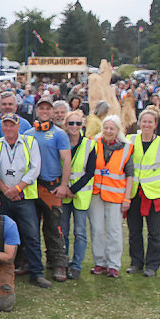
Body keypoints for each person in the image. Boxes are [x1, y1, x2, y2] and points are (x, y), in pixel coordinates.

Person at [0, 114, 48, 287]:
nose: (8, 128)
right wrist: (4, 189)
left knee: (31, 235)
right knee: (0, 235)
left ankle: (36, 272)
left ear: (18, 126)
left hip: (23, 197)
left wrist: (18, 188)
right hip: (2, 197)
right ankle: (0, 270)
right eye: (5, 125)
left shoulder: (30, 142)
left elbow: (35, 169)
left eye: (12, 125)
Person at [23, 94, 71, 282]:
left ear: (52, 112)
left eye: (47, 108)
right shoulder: (28, 134)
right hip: (32, 187)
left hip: (51, 188)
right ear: (36, 111)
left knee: (54, 229)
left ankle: (58, 263)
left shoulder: (59, 134)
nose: (44, 111)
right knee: (30, 228)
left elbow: (66, 160)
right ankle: (29, 261)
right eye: (41, 108)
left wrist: (63, 185)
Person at [89, 115, 133, 278]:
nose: (108, 131)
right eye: (106, 127)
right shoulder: (94, 143)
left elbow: (130, 175)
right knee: (97, 229)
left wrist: (127, 198)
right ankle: (100, 262)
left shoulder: (126, 148)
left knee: (114, 230)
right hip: (96, 194)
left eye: (112, 128)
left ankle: (113, 264)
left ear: (117, 130)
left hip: (116, 195)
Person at [126, 109, 160, 277]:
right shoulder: (130, 140)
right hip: (134, 193)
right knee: (134, 231)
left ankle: (152, 266)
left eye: (150, 122)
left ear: (155, 125)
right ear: (139, 123)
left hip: (155, 195)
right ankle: (136, 262)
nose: (147, 125)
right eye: (144, 121)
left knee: (154, 233)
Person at [60, 110, 95, 280]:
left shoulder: (90, 144)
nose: (74, 127)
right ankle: (63, 262)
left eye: (78, 123)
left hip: (80, 194)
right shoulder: (61, 142)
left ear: (83, 125)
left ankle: (76, 265)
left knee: (80, 232)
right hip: (63, 192)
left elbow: (90, 172)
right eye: (71, 123)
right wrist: (64, 188)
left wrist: (72, 190)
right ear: (66, 125)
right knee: (63, 231)